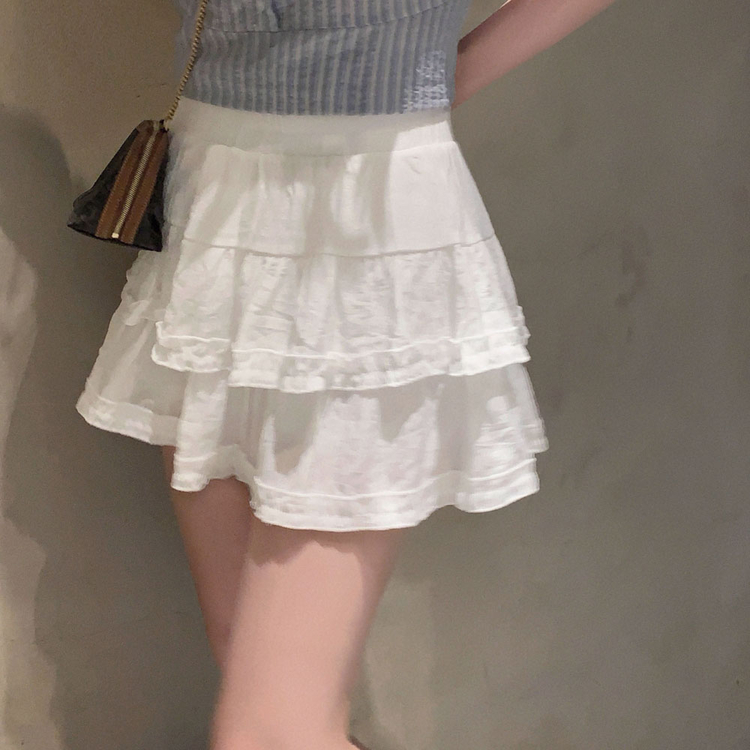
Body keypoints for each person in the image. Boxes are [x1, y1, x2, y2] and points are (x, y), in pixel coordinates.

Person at [75, 0, 618, 748]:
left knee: (269, 728)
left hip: (373, 213)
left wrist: (450, 73)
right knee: (248, 663)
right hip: (213, 193)